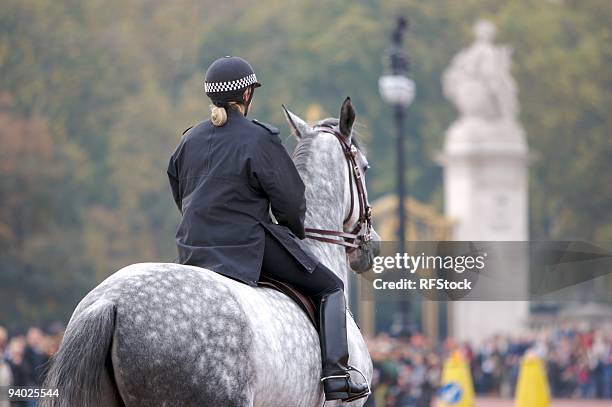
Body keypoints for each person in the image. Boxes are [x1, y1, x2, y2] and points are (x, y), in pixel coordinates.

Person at [167, 55, 369, 401]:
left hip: (192, 248)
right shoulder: (259, 138)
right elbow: (291, 205)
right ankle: (336, 376)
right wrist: (292, 228)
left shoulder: (189, 139)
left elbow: (178, 190)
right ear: (246, 95)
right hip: (247, 245)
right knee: (331, 286)